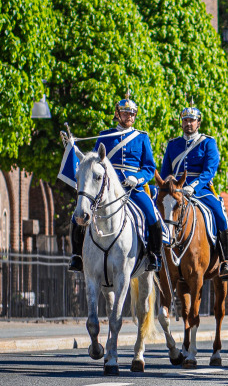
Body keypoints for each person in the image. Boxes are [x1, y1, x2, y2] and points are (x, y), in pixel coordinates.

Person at [69, 93, 163, 273]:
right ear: (117, 114)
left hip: (132, 188)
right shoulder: (105, 136)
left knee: (152, 215)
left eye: (133, 114)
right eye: (126, 113)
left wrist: (138, 178)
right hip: (108, 188)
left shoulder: (141, 137)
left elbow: (150, 167)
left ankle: (154, 255)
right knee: (77, 215)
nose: (130, 117)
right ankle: (77, 256)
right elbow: (94, 162)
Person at [160, 106, 228, 278]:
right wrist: (166, 187)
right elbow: (165, 172)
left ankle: (225, 261)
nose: (188, 124)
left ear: (198, 122)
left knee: (220, 215)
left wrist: (193, 186)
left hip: (201, 190)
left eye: (192, 120)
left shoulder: (208, 142)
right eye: (185, 120)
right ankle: (155, 256)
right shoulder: (173, 145)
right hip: (176, 190)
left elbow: (209, 171)